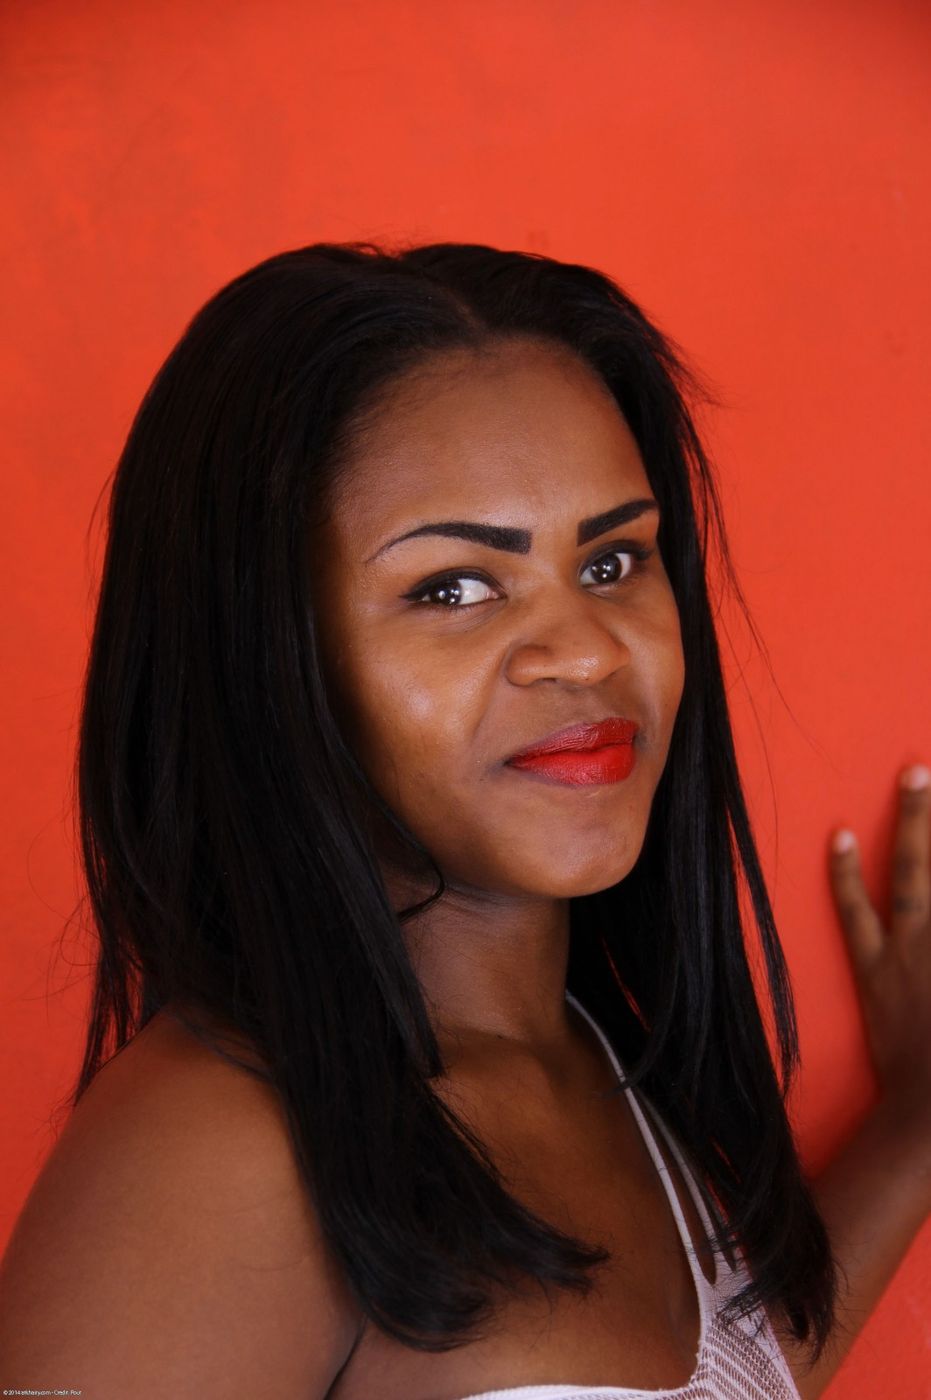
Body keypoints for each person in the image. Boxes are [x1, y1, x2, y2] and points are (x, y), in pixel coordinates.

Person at [0, 241, 928, 1400]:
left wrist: (915, 1117)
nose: (585, 650)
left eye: (613, 560)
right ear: (269, 658)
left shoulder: (596, 1056)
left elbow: (738, 1376)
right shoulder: (223, 1153)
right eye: (453, 587)